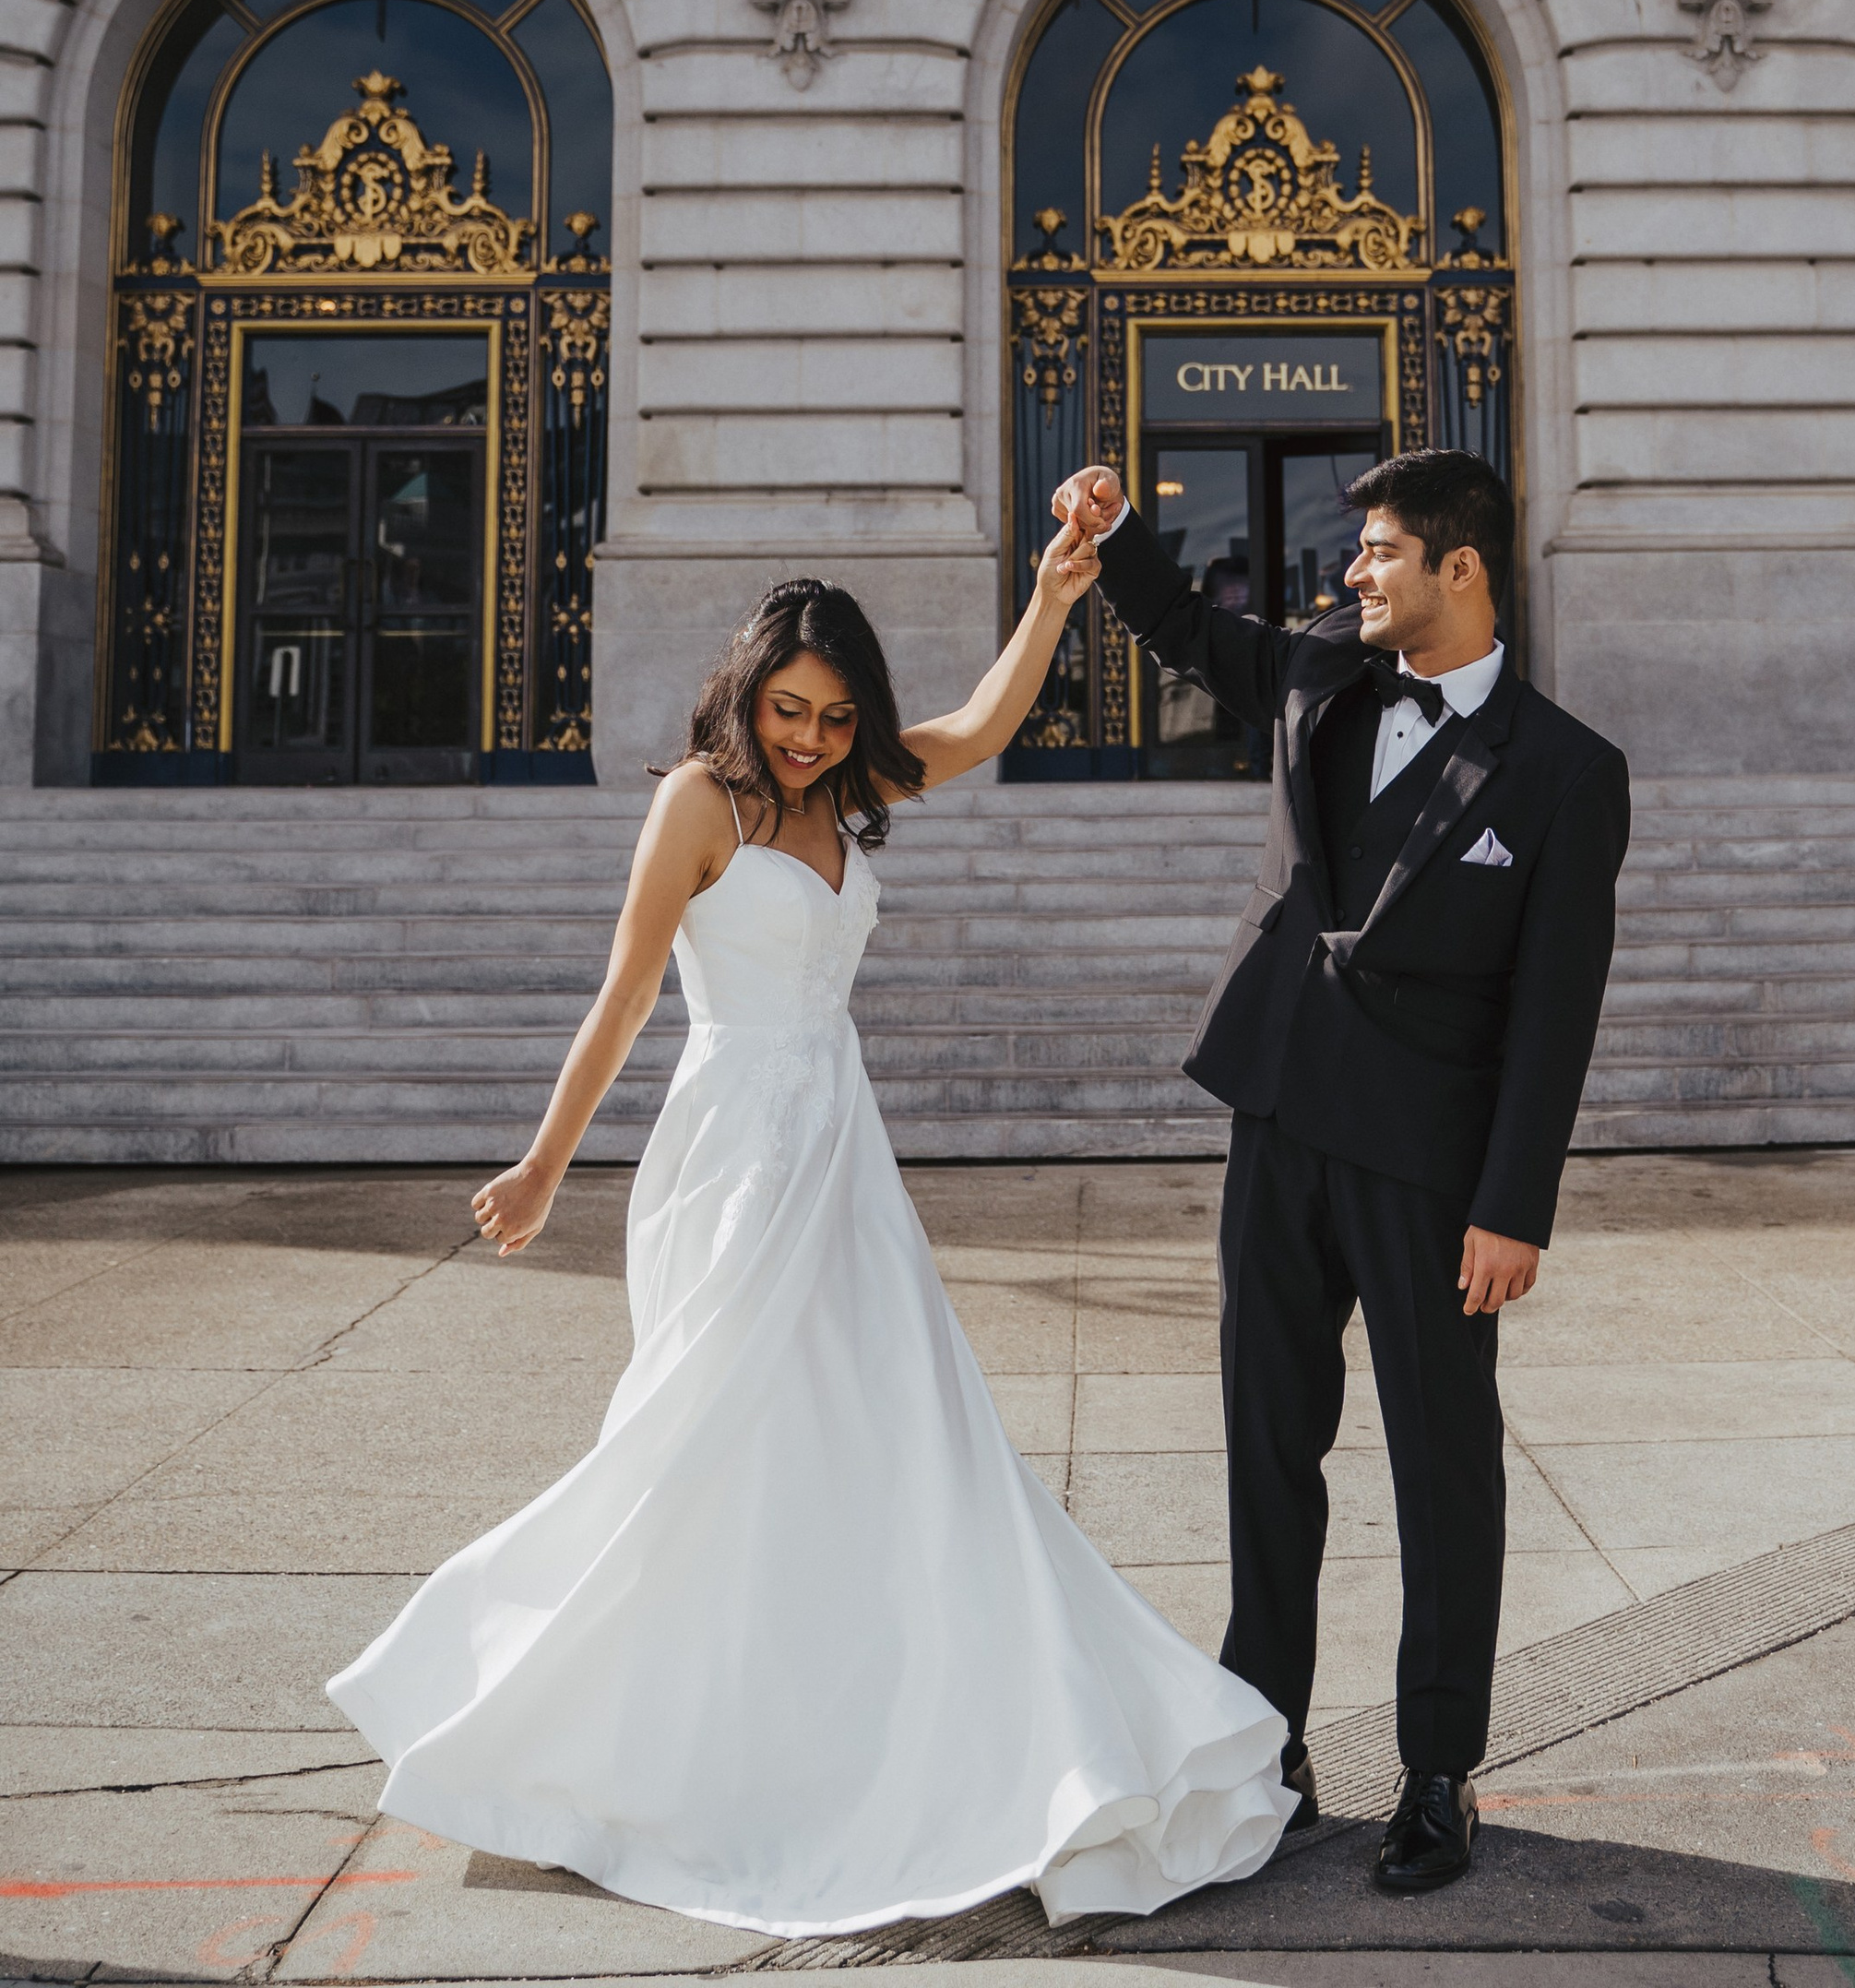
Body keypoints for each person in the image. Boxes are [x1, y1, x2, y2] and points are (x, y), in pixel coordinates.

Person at [326, 542, 1290, 1941]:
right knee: (704, 1444)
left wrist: (1054, 602)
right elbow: (627, 991)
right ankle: (594, 1732)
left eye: (837, 718)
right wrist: (545, 1167)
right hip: (730, 1160)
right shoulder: (698, 802)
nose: (811, 739)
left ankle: (873, 1728)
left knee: (895, 1440)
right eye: (791, 710)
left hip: (838, 1151)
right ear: (747, 690)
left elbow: (980, 727)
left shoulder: (850, 790)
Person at [1052, 446, 1628, 1897]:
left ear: (1462, 568)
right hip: (1281, 1118)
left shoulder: (1569, 773)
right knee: (1266, 1446)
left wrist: (1514, 1206)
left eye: (1381, 552)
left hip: (1433, 1170)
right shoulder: (1317, 671)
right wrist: (1119, 540)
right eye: (1359, 552)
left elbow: (1557, 1011)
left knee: (1443, 1466)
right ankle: (1265, 1743)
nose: (1354, 571)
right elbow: (1195, 636)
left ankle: (1438, 1771)